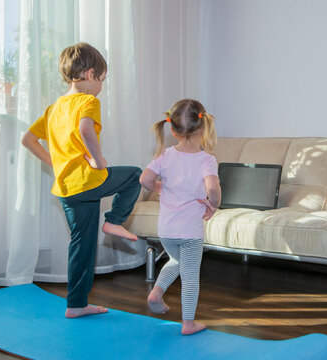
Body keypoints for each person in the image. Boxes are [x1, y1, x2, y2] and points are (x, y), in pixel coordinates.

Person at [21, 42, 142, 318]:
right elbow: (86, 129)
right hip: (88, 181)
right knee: (134, 175)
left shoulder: (54, 108)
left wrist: (55, 161)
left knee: (82, 244)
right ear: (90, 74)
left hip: (66, 188)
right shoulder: (89, 101)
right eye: (102, 79)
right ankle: (113, 221)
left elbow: (27, 139)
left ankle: (76, 305)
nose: (101, 85)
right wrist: (98, 161)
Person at [139, 99, 221, 335]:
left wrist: (158, 188)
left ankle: (156, 292)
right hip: (190, 232)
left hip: (166, 229)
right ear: (203, 127)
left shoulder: (165, 155)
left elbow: (144, 179)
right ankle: (188, 323)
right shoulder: (206, 159)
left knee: (176, 262)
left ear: (173, 130)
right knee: (190, 276)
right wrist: (213, 204)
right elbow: (213, 190)